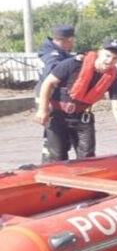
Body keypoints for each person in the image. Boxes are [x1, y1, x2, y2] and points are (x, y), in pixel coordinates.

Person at [34, 39, 117, 162]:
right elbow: (48, 83)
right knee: (58, 154)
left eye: (115, 58)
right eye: (107, 56)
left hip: (82, 117)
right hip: (58, 116)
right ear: (100, 52)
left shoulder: (113, 78)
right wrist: (43, 110)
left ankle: (84, 177)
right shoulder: (73, 64)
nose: (109, 61)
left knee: (87, 156)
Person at [34, 24, 77, 162]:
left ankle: (50, 166)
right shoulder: (53, 57)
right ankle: (51, 170)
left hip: (52, 100)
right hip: (49, 100)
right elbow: (50, 81)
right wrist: (43, 108)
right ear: (69, 39)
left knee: (55, 139)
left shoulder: (54, 52)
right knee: (56, 142)